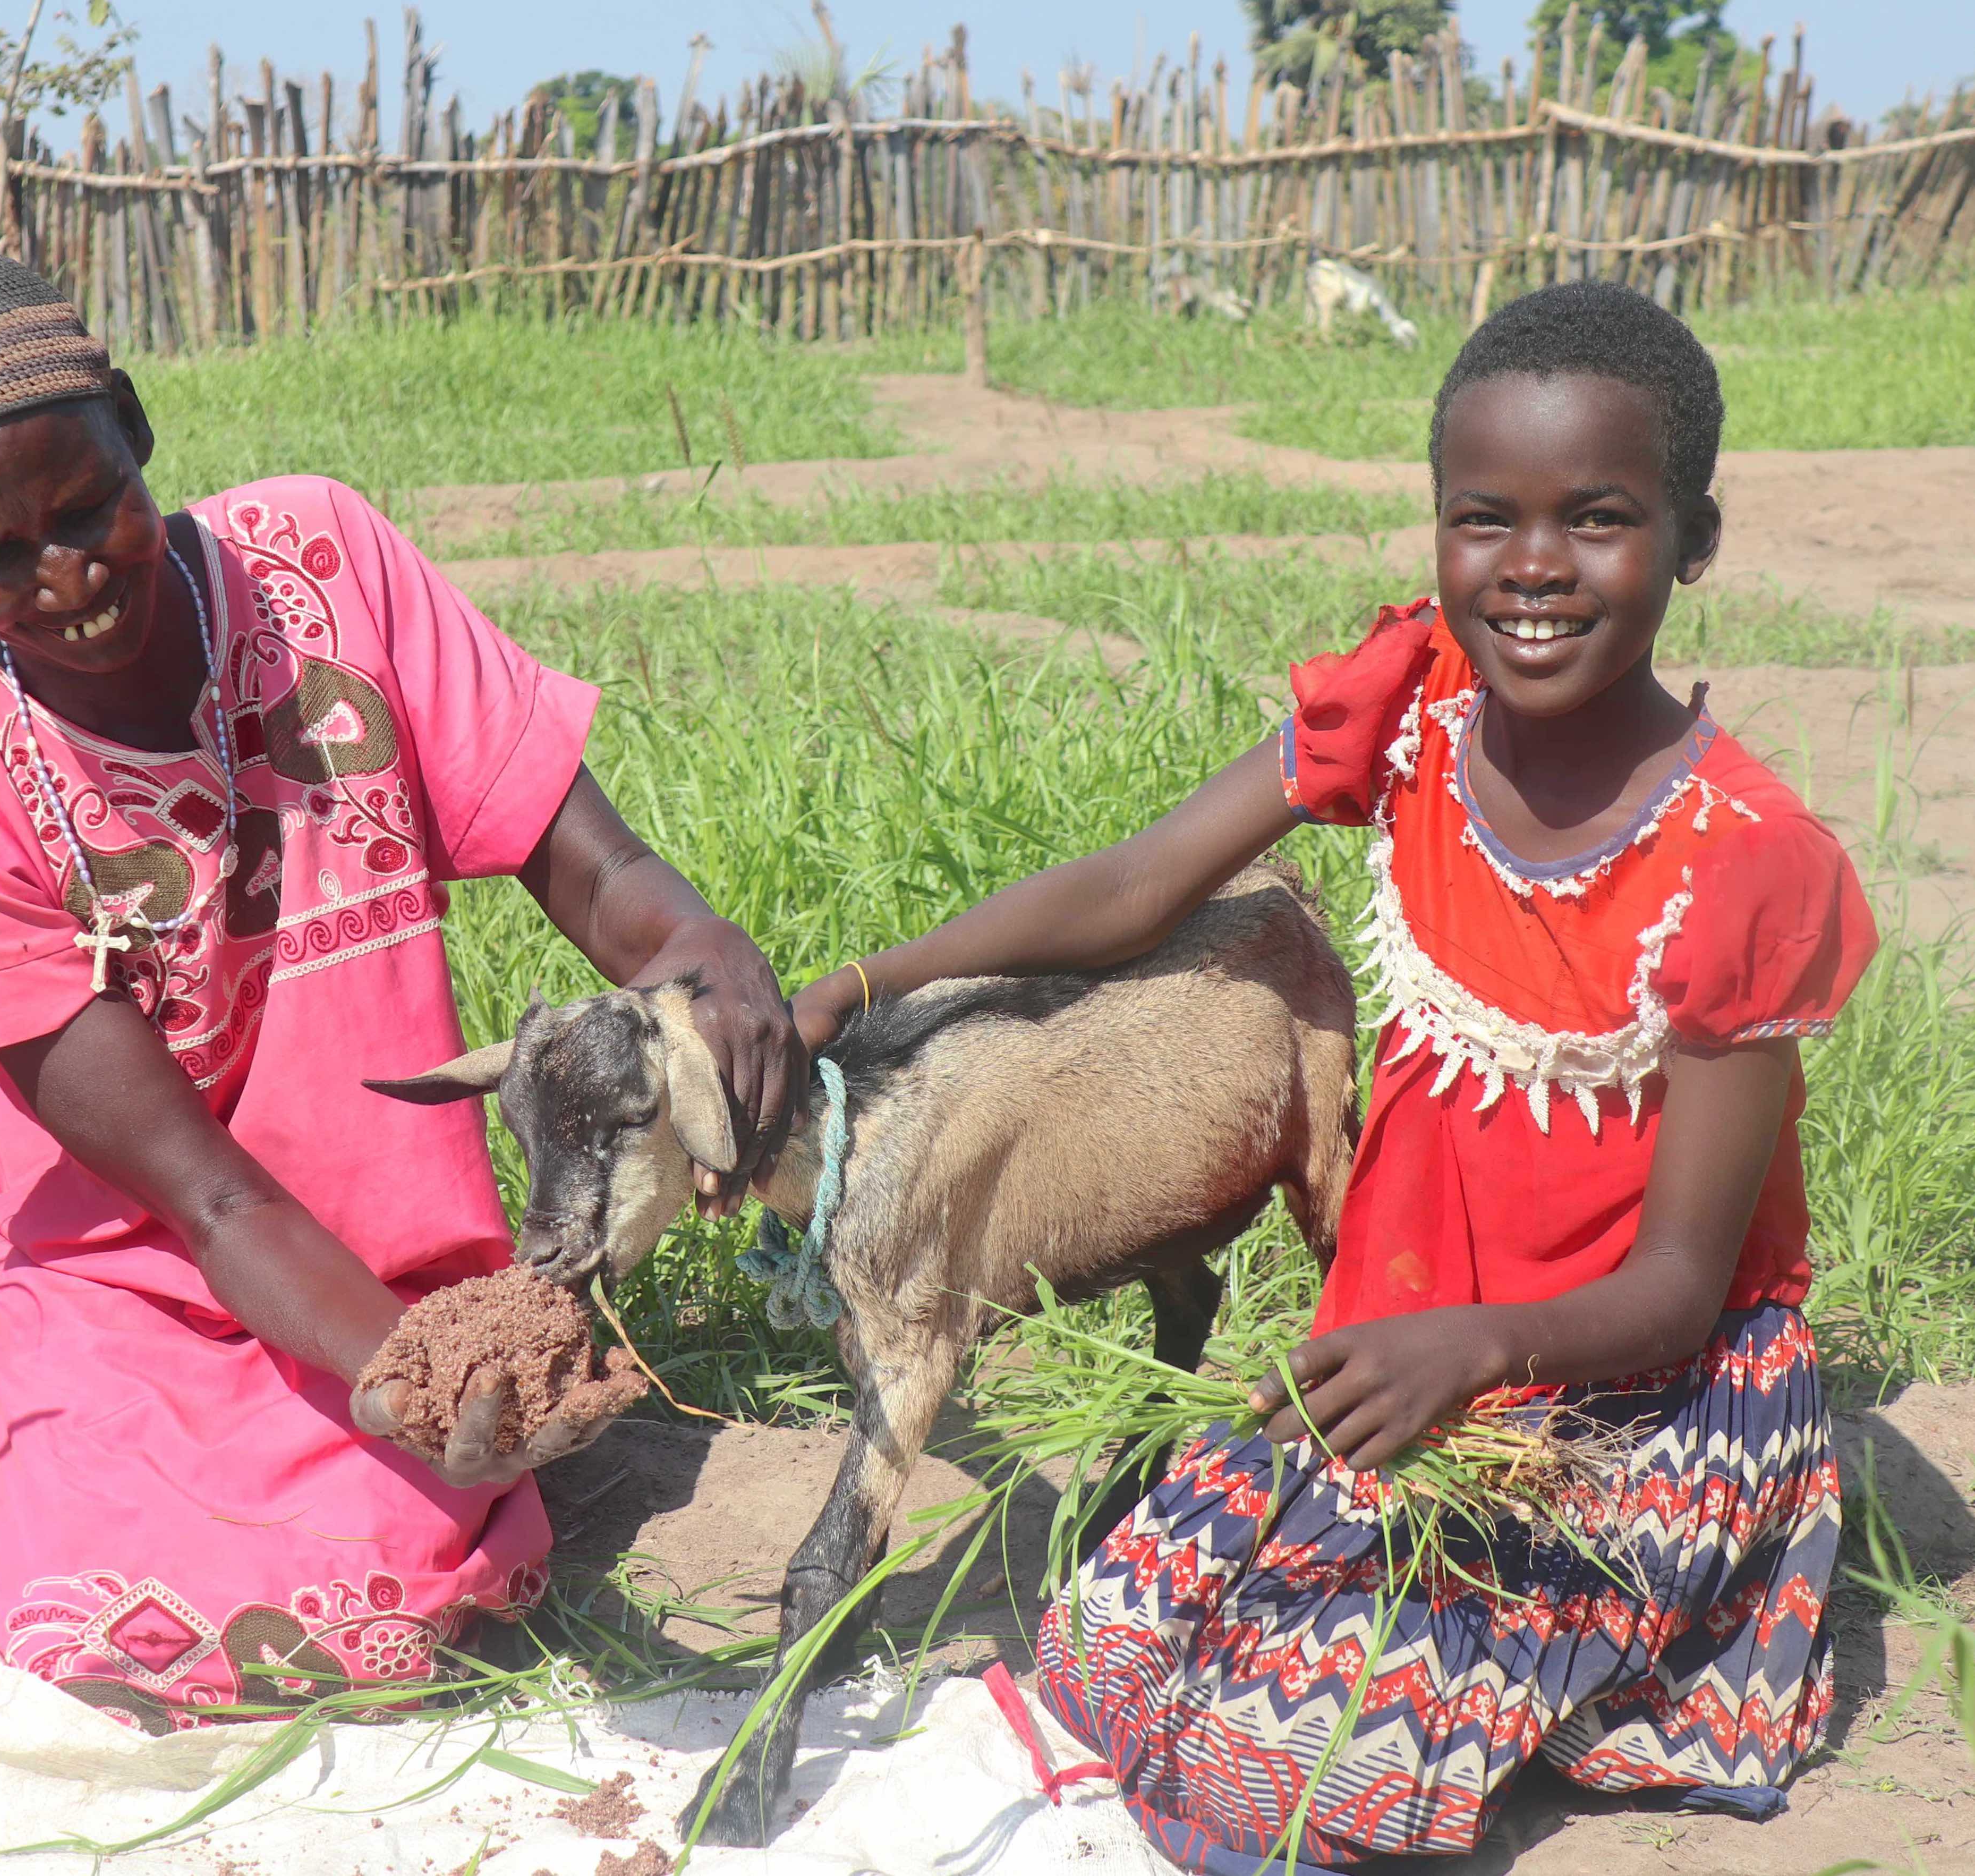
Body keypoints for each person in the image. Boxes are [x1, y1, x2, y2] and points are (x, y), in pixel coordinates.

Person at [787, 281, 1872, 1869]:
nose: (1530, 569)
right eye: (1479, 518)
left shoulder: (1741, 866)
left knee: (1302, 1768)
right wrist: (864, 983)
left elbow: (1681, 1289)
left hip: (1625, 1395)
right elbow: (1134, 889)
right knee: (1104, 1646)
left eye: (1597, 520)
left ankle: (1650, 1646)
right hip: (1401, 1351)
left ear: (1692, 539)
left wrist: (1474, 1348)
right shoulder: (1419, 704)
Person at [0, 241, 801, 1731]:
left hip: (376, 1250)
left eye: (89, 509)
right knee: (103, 1640)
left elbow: (594, 871)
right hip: (137, 1278)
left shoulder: (321, 568)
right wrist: (410, 1378)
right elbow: (207, 1199)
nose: (65, 575)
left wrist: (704, 954)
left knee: (394, 1589)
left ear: (138, 427)